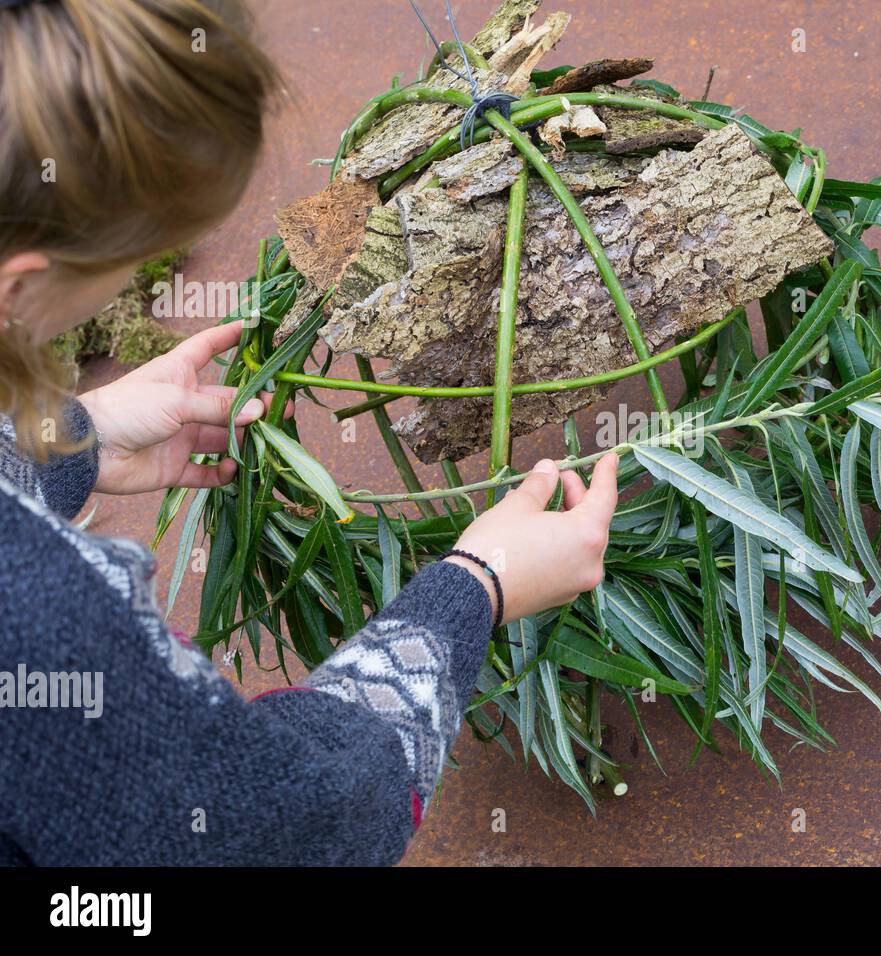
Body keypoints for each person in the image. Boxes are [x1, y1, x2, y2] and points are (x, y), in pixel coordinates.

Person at [0, 0, 618, 865]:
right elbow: (277, 825)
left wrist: (69, 439)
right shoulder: (45, 633)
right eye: (133, 260)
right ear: (18, 288)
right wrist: (474, 588)